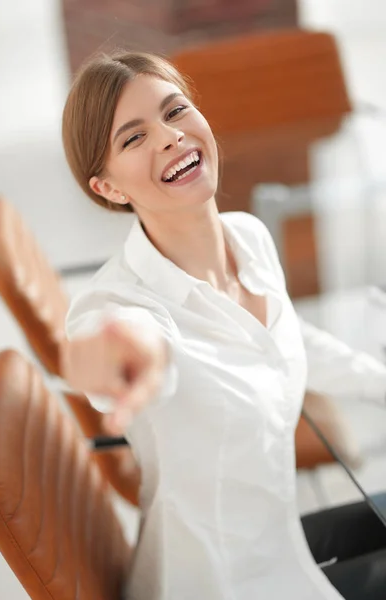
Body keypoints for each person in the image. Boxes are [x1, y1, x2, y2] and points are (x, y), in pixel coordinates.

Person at [60, 51, 386, 600]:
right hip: (224, 582)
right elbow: (135, 348)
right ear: (109, 188)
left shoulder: (249, 237)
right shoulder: (123, 305)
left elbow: (283, 335)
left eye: (176, 110)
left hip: (280, 536)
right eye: (133, 139)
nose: (170, 137)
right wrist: (117, 360)